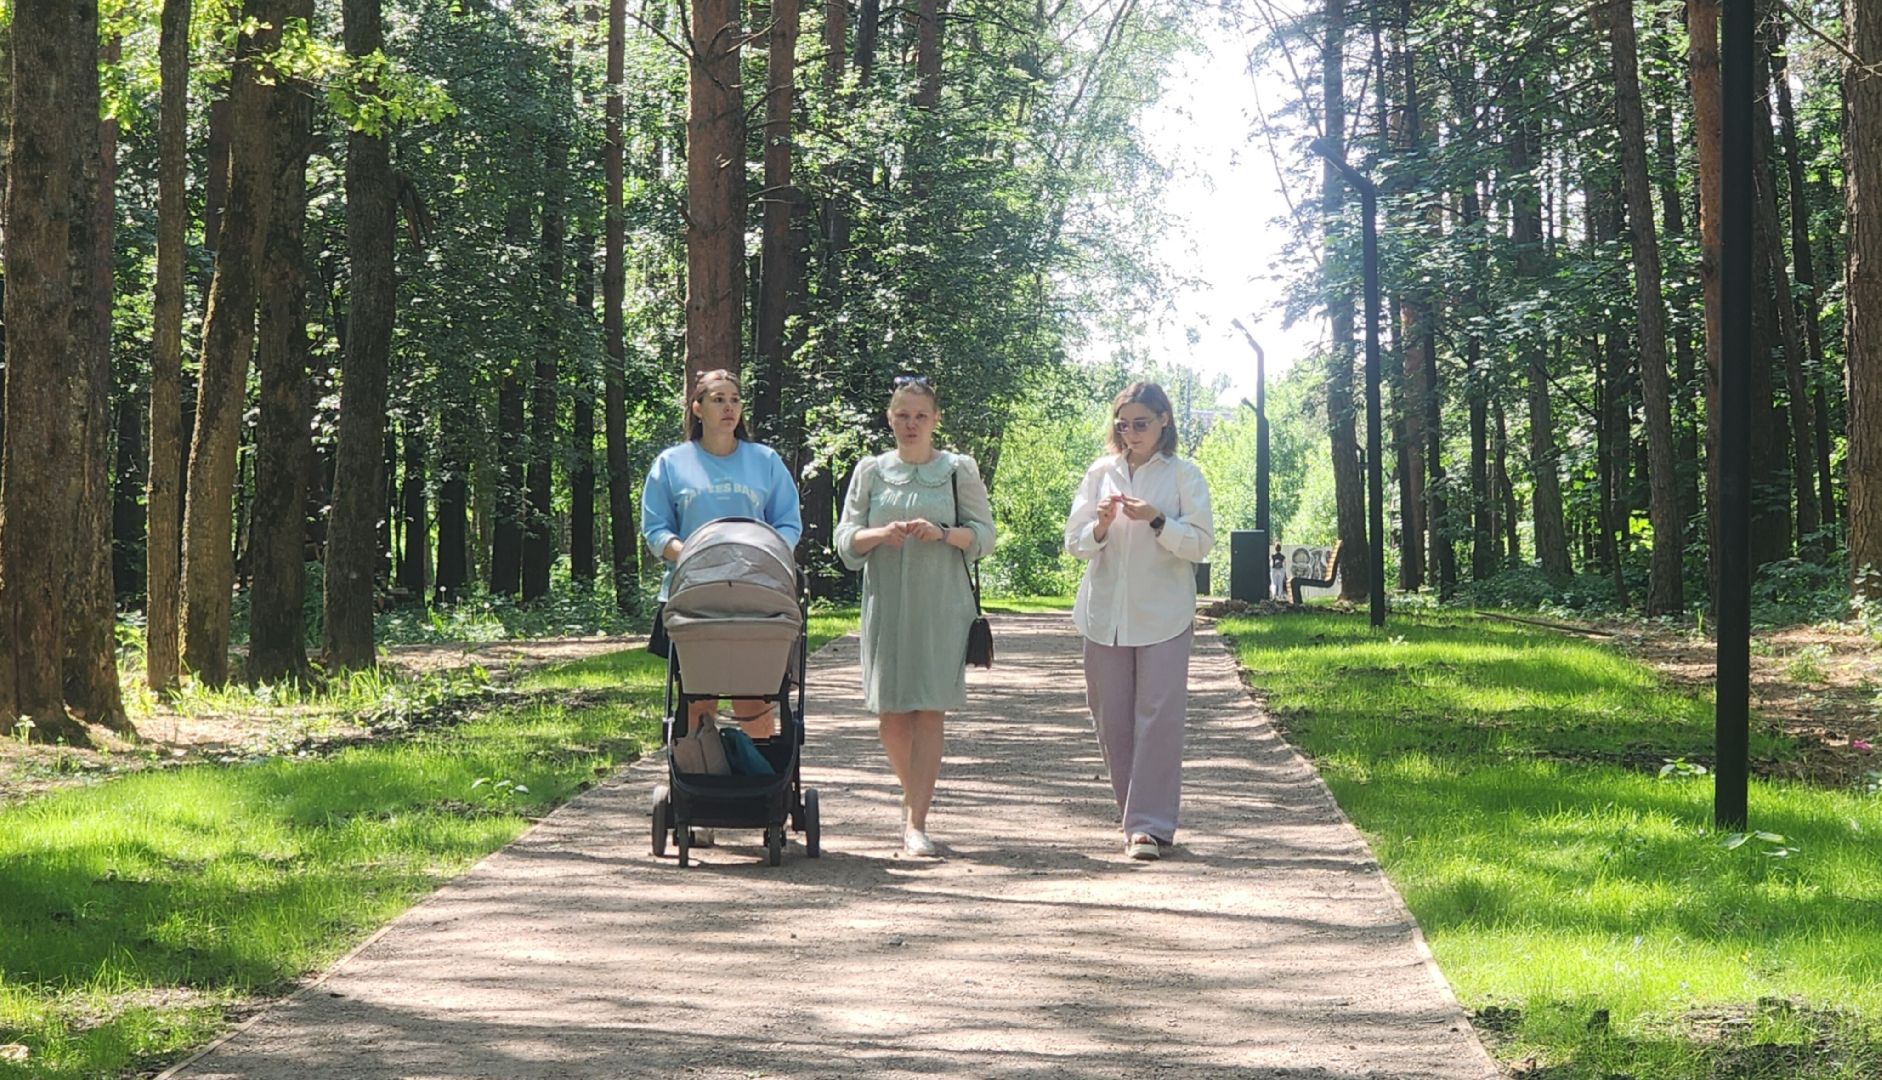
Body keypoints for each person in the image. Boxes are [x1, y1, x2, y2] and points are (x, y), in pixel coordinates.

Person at [835, 375, 995, 857]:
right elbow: (845, 543)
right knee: (891, 717)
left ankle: (916, 822)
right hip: (886, 604)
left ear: (935, 420)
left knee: (929, 707)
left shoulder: (956, 470)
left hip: (941, 605)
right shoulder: (870, 471)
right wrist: (880, 534)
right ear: (889, 417)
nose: (911, 424)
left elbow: (984, 536)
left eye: (920, 415)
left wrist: (944, 533)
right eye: (902, 415)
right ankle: (913, 803)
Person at [1063, 381, 1214, 861]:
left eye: (1141, 424)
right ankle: (1133, 815)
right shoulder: (1099, 473)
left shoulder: (1183, 475)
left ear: (1164, 420)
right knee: (1112, 719)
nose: (1131, 433)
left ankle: (1149, 825)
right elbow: (1076, 541)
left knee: (1158, 718)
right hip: (1104, 611)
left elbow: (1200, 544)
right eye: (1123, 425)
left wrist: (1157, 520)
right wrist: (1102, 526)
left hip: (1164, 613)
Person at [641, 367, 803, 752]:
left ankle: (760, 775)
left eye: (734, 400)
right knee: (699, 695)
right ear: (697, 409)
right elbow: (656, 530)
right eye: (718, 400)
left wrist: (763, 559)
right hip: (693, 594)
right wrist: (693, 556)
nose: (728, 408)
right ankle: (700, 769)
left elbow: (787, 524)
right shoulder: (671, 464)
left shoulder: (764, 461)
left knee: (755, 695)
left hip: (756, 592)